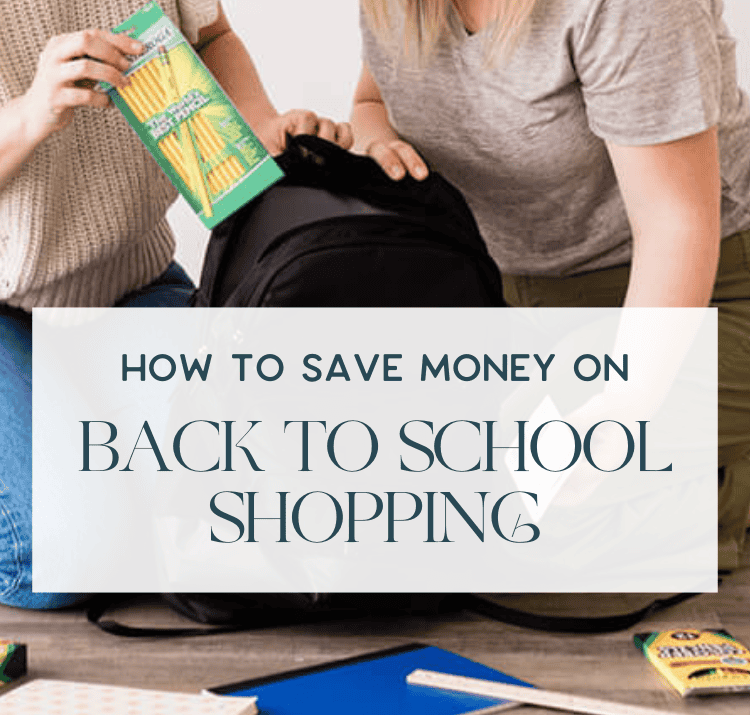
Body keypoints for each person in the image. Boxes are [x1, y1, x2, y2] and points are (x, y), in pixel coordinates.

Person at [351, 0, 750, 572]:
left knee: (514, 509)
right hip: (518, 301)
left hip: (703, 297)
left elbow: (676, 226)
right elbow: (372, 101)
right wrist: (374, 141)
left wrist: (623, 407)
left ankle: (725, 481)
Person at [0, 0, 352, 609]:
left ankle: (93, 456)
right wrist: (31, 114)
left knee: (288, 501)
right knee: (64, 563)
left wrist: (258, 126)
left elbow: (212, 35)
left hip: (130, 285)